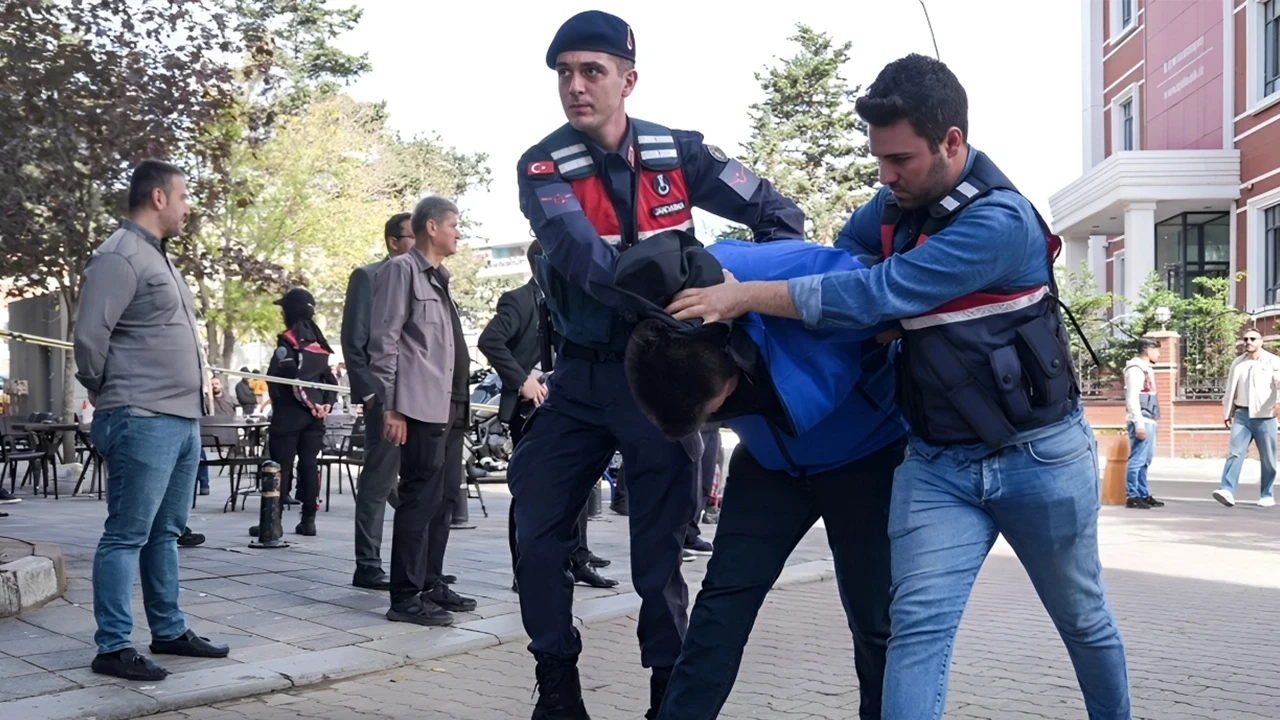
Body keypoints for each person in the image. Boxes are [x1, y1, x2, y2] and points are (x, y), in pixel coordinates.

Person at [665, 54, 1131, 719]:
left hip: (1037, 459)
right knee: (912, 634)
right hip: (938, 464)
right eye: (879, 160)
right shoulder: (892, 207)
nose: (886, 177)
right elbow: (845, 264)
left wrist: (747, 297)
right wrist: (859, 313)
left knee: (1081, 620)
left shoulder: (999, 222)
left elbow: (878, 291)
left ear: (953, 142)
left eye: (901, 160)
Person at [511, 11, 806, 718]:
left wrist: (738, 291)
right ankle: (556, 683)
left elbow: (778, 212)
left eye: (592, 71)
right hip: (580, 377)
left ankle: (666, 692)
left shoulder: (679, 152)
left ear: (628, 79)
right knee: (536, 525)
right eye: (564, 73)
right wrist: (676, 291)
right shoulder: (543, 166)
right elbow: (587, 262)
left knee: (660, 553)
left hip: (664, 385)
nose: (575, 86)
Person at [613, 231, 906, 720]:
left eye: (719, 408)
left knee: (874, 619)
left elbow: (894, 300)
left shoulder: (792, 269)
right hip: (771, 465)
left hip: (864, 456)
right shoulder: (664, 323)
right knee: (720, 608)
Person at [74, 159, 228, 681]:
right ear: (159, 198)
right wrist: (110, 393)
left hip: (181, 418)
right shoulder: (119, 255)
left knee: (164, 532)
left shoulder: (156, 258)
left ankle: (168, 630)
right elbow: (90, 340)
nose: (188, 207)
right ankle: (113, 646)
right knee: (126, 534)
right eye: (183, 196)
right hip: (140, 415)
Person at [477, 242, 616, 593]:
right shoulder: (521, 299)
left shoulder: (573, 299)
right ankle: (524, 569)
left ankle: (577, 559)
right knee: (531, 488)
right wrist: (522, 379)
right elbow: (490, 340)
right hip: (531, 409)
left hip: (573, 405)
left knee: (580, 485)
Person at [369, 195, 477, 627]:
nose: (458, 232)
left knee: (444, 498)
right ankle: (405, 597)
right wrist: (391, 406)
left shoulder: (440, 278)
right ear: (431, 227)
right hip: (418, 405)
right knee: (418, 498)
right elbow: (385, 341)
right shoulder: (401, 270)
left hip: (450, 405)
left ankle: (431, 583)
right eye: (454, 224)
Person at [343, 211, 415, 590]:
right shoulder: (368, 277)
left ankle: (418, 561)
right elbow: (354, 342)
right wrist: (371, 394)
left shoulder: (427, 278)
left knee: (408, 485)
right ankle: (368, 564)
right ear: (393, 241)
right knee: (379, 480)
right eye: (411, 237)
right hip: (385, 397)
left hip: (422, 397)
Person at [266, 287, 338, 537]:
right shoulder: (319, 342)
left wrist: (311, 404)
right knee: (309, 465)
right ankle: (309, 520)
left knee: (280, 466)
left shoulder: (289, 340)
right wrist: (326, 404)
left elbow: (289, 379)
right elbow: (330, 379)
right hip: (315, 417)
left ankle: (272, 523)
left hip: (289, 416)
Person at [1213, 328, 1280, 508]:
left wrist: (1278, 403)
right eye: (1245, 339)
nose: (1248, 341)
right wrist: (1227, 411)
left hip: (1264, 416)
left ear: (1261, 341)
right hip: (1242, 414)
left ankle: (1266, 494)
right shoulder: (1238, 362)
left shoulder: (1273, 361)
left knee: (1268, 458)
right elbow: (1230, 389)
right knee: (1235, 453)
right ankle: (1227, 490)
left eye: (1252, 338)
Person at [1122, 339, 1163, 509]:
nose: (1159, 354)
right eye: (1157, 350)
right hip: (1141, 419)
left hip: (1149, 419)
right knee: (1137, 459)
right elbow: (1132, 398)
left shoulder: (1147, 370)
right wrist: (1139, 424)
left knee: (1145, 459)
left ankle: (1143, 493)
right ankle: (1132, 495)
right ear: (1147, 350)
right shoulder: (1135, 370)